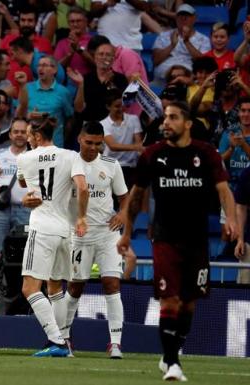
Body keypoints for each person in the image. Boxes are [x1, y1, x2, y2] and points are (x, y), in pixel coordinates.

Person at [117, 101, 238, 381]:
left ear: (188, 123)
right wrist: (126, 232)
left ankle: (170, 353)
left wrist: (231, 219)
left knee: (188, 303)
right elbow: (136, 196)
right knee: (169, 300)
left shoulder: (206, 154)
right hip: (164, 238)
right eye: (165, 118)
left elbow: (224, 191)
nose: (166, 123)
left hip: (197, 240)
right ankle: (172, 362)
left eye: (172, 118)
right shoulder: (153, 155)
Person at [17, 115, 88, 357]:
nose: (27, 138)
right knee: (55, 287)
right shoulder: (71, 155)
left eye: (29, 134)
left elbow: (26, 189)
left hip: (41, 227)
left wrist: (28, 198)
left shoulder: (24, 158)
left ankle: (56, 341)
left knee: (29, 287)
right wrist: (81, 217)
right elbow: (82, 187)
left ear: (37, 136)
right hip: (64, 230)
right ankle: (64, 342)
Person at [60, 121, 130, 359]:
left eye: (98, 144)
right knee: (75, 287)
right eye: (88, 142)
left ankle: (116, 343)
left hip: (107, 234)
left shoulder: (111, 165)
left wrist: (122, 213)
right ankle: (65, 337)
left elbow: (125, 196)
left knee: (112, 284)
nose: (92, 148)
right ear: (79, 138)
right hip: (78, 235)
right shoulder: (68, 163)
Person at [0, 118, 30, 253]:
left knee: (24, 253)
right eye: (16, 131)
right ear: (10, 134)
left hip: (26, 210)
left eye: (23, 132)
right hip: (1, 209)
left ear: (29, 134)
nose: (19, 134)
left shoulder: (34, 156)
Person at [15, 56, 73, 148]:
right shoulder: (27, 88)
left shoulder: (63, 92)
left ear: (54, 69)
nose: (40, 68)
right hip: (30, 144)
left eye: (45, 65)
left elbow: (69, 119)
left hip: (54, 145)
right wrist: (28, 116)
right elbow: (18, 115)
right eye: (38, 65)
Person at [152, 4, 211, 86]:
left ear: (194, 18)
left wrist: (186, 41)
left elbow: (204, 64)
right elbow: (155, 61)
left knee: (180, 74)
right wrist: (172, 45)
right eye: (180, 15)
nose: (183, 18)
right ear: (176, 18)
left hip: (188, 71)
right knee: (175, 74)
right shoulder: (163, 36)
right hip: (164, 72)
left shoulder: (203, 39)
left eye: (187, 16)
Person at [71, 40, 128, 122]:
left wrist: (110, 84)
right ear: (95, 58)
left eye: (108, 55)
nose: (104, 57)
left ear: (113, 59)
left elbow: (124, 104)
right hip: (89, 123)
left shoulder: (121, 79)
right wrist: (103, 85)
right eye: (101, 54)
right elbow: (78, 108)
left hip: (112, 124)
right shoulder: (86, 79)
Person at [100, 89, 144, 188]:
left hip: (131, 167)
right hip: (110, 167)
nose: (121, 108)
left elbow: (138, 142)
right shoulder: (102, 124)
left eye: (122, 105)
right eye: (117, 106)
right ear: (108, 107)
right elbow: (112, 146)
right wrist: (137, 147)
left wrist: (139, 149)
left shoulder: (134, 119)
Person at [53, 7, 92, 76]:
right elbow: (55, 68)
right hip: (69, 83)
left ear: (86, 22)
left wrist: (79, 49)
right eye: (72, 21)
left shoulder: (93, 40)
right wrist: (70, 54)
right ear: (68, 23)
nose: (75, 24)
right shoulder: (62, 43)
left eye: (78, 21)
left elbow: (97, 64)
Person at [235, 167, 250, 284]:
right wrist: (240, 239)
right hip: (249, 245)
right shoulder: (247, 174)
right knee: (244, 289)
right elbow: (241, 207)